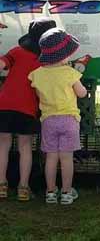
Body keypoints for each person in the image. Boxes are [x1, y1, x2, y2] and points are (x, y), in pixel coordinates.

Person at [28, 28, 87, 205]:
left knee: (51, 158)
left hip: (48, 121)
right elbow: (82, 93)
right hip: (69, 120)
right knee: (66, 158)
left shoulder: (37, 74)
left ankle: (51, 192)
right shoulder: (70, 73)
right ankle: (67, 193)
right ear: (63, 56)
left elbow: (39, 94)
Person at [0, 17, 56, 201]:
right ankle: (23, 188)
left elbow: (1, 64)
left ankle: (2, 185)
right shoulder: (45, 61)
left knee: (3, 145)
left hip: (5, 104)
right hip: (28, 108)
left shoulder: (16, 51)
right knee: (25, 147)